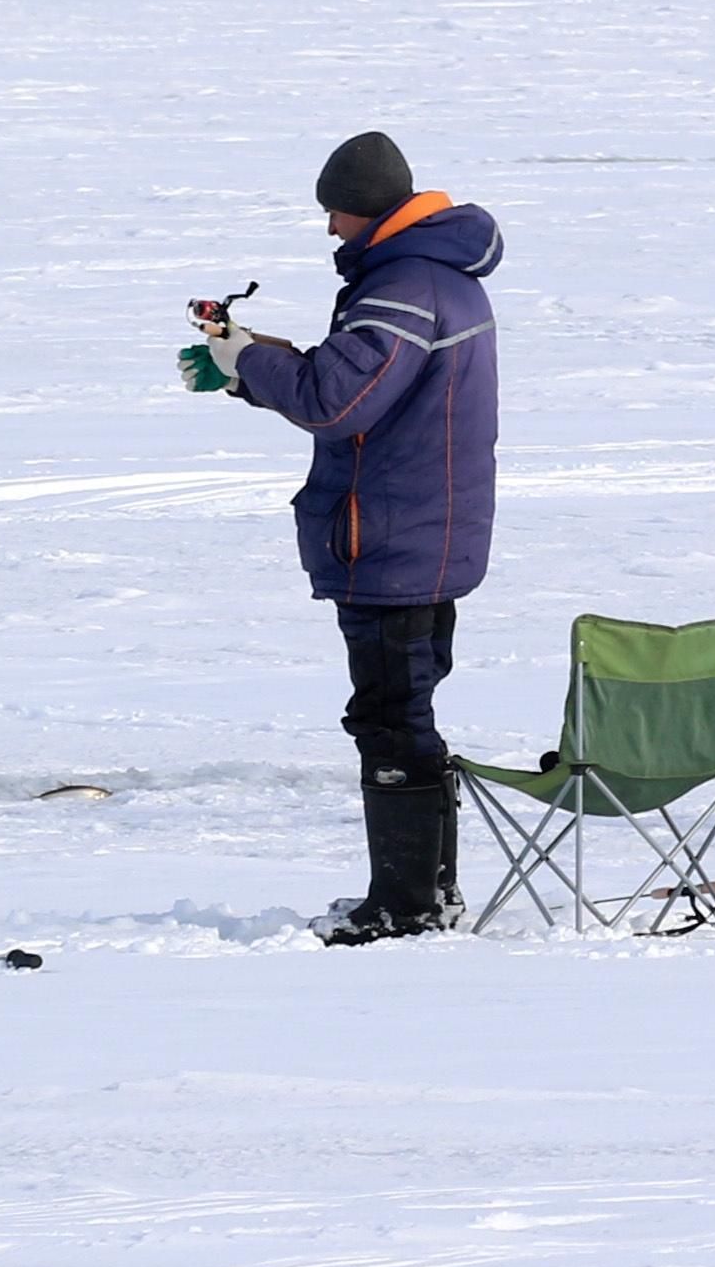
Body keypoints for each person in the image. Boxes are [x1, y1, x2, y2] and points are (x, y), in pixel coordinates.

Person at [190, 131, 504, 942]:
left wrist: (245, 365)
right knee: (407, 713)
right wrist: (250, 360)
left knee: (391, 719)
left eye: (334, 209)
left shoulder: (402, 286)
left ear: (364, 207)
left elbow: (338, 402)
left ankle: (403, 908)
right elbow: (359, 384)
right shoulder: (438, 278)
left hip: (395, 541)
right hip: (425, 534)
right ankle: (427, 896)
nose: (329, 227)